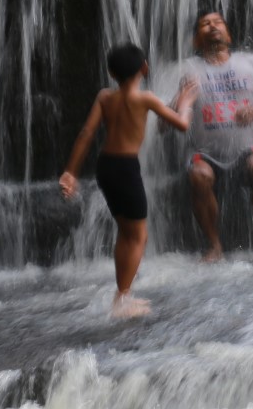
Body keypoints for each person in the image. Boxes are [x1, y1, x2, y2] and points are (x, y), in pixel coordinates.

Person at [60, 42, 193, 317]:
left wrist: (70, 172)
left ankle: (121, 295)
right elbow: (181, 124)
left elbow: (86, 133)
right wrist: (188, 102)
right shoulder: (146, 99)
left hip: (105, 166)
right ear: (144, 68)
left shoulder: (104, 97)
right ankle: (122, 298)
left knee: (126, 231)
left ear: (111, 72)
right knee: (139, 236)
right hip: (127, 169)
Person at [172, 9, 253, 263]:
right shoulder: (188, 70)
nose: (213, 26)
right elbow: (167, 118)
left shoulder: (250, 64)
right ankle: (214, 245)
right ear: (196, 40)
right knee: (199, 174)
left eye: (218, 22)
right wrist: (180, 102)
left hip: (246, 151)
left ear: (229, 34)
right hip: (204, 153)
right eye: (205, 24)